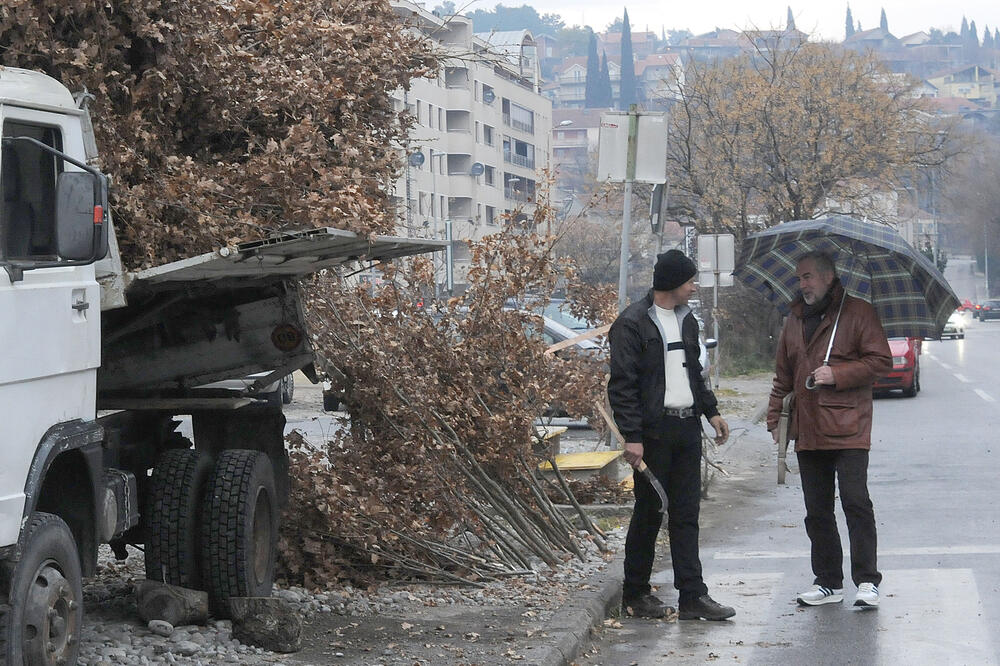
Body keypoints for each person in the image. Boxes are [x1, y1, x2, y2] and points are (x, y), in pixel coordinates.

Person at [608, 249, 734, 621]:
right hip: (653, 432)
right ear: (673, 283)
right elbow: (623, 386)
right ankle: (635, 593)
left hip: (686, 428)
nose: (694, 287)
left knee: (686, 514)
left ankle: (693, 596)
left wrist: (712, 411)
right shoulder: (632, 324)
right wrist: (633, 436)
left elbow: (695, 371)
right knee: (650, 511)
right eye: (690, 281)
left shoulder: (686, 320)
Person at [766, 251, 891, 609]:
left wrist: (838, 374)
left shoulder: (858, 312)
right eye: (799, 277)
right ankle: (828, 582)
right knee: (816, 510)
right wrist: (776, 419)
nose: (802, 284)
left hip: (848, 426)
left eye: (808, 277)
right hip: (807, 428)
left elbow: (881, 360)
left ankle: (867, 581)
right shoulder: (793, 319)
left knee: (855, 503)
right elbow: (783, 376)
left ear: (827, 277)